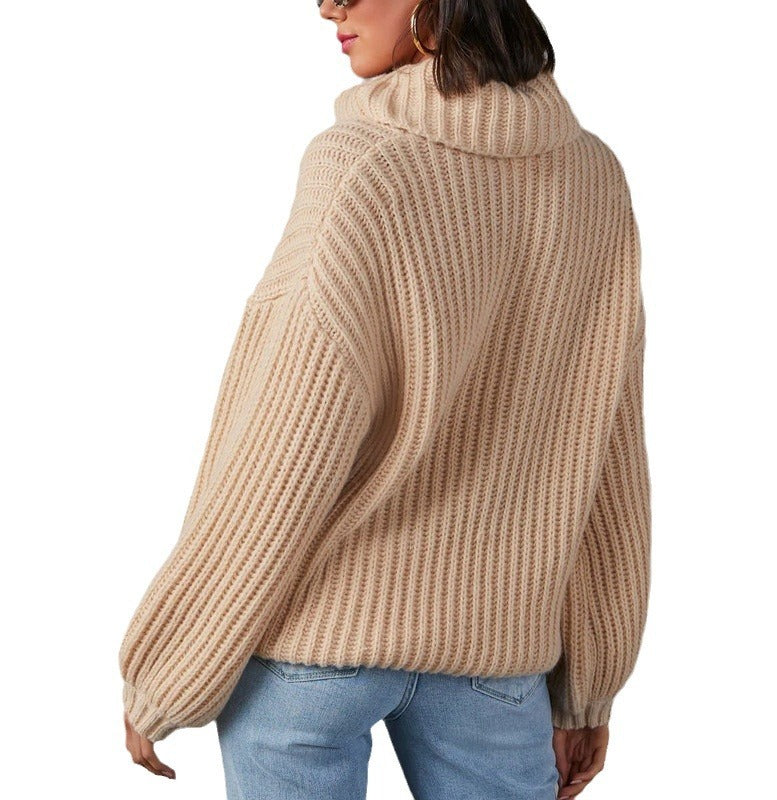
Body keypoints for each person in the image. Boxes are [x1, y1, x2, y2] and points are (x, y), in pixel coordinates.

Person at [118, 2, 652, 799]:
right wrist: (590, 683)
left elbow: (283, 437)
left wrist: (171, 663)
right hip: (497, 652)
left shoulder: (361, 165)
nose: (328, 4)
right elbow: (605, 438)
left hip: (313, 648)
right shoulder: (594, 178)